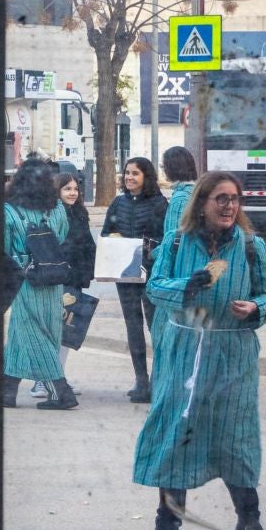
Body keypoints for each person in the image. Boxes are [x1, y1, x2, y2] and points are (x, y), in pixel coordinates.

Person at [135, 171, 266, 530]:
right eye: (221, 198)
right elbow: (154, 286)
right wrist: (188, 285)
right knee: (174, 434)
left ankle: (250, 523)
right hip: (184, 349)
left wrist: (255, 308)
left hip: (232, 353)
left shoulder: (252, 246)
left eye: (234, 198)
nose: (229, 205)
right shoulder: (177, 241)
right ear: (202, 203)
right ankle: (167, 528)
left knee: (234, 438)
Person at [1, 159, 76, 411]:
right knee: (26, 334)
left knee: (33, 334)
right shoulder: (55, 208)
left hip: (24, 280)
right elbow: (63, 234)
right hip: (53, 278)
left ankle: (60, 391)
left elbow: (2, 248)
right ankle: (7, 390)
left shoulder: (8, 210)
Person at [101, 157, 168, 402]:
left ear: (145, 176)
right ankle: (141, 380)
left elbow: (166, 238)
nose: (129, 177)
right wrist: (114, 237)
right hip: (125, 273)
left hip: (151, 273)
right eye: (127, 173)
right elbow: (106, 232)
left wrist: (150, 249)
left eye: (135, 173)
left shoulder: (160, 203)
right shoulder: (118, 203)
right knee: (133, 326)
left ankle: (159, 380)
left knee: (155, 326)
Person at [39, 172, 97, 397]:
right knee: (53, 331)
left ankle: (58, 376)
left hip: (74, 280)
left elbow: (86, 245)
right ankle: (43, 380)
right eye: (67, 189)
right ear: (57, 191)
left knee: (68, 332)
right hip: (58, 280)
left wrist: (89, 270)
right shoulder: (52, 214)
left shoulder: (80, 213)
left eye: (75, 188)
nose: (73, 193)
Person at [151, 146, 200, 345]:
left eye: (164, 165)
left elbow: (172, 242)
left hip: (177, 274)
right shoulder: (198, 194)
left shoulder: (179, 200)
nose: (163, 170)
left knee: (164, 334)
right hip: (195, 270)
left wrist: (152, 253)